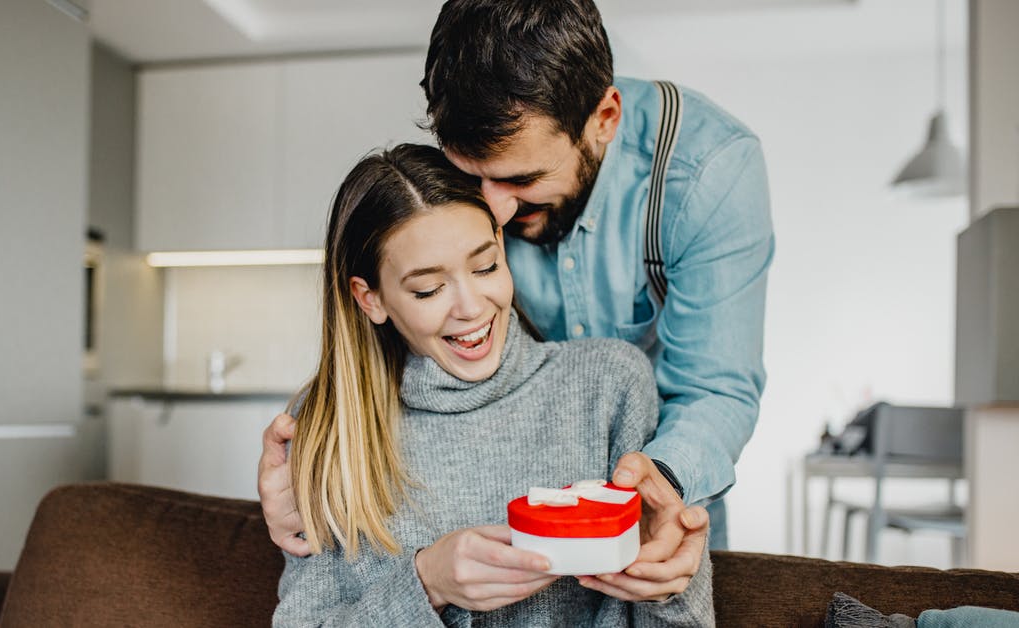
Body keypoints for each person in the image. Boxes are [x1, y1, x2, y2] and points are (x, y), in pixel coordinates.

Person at [261, 0, 773, 600]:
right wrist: (318, 466)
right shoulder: (484, 176)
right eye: (471, 174)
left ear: (603, 118)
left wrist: (658, 491)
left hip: (659, 474)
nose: (495, 211)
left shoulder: (709, 172)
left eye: (522, 181)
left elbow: (716, 389)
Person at [273, 143, 712, 627]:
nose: (471, 306)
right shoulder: (329, 425)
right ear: (371, 298)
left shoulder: (608, 386)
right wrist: (426, 584)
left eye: (485, 266)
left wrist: (668, 586)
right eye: (428, 289)